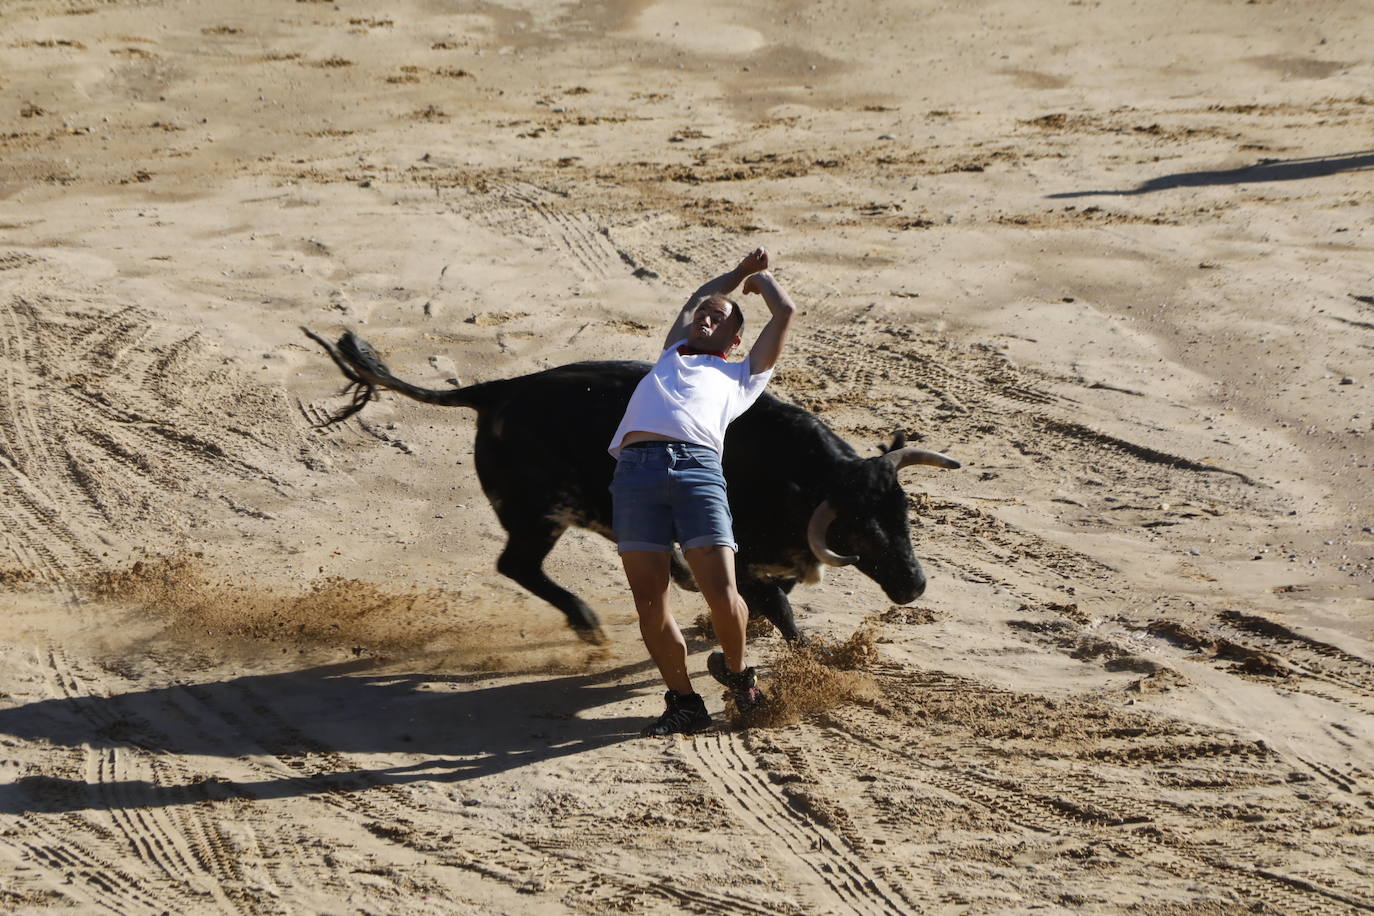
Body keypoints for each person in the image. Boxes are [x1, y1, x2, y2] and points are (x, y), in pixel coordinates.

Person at [607, 247, 796, 736]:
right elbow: (696, 296)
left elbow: (785, 313)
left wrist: (762, 279)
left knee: (721, 592)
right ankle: (685, 703)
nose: (704, 319)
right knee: (649, 602)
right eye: (702, 316)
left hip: (697, 470)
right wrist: (735, 274)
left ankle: (738, 675)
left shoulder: (741, 374)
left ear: (734, 340)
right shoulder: (672, 353)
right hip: (634, 474)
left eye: (716, 318)